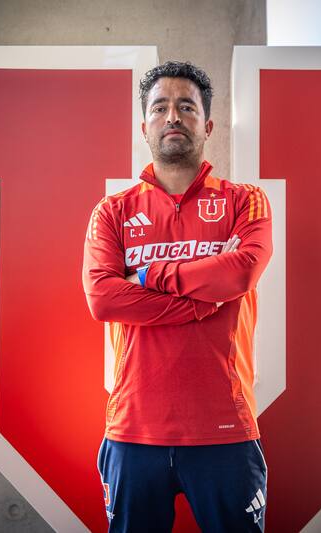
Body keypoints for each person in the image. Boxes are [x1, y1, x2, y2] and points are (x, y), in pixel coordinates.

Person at [82, 60, 273, 533]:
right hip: (133, 430)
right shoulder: (113, 212)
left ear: (206, 126)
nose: (173, 117)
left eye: (186, 107)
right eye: (160, 107)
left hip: (225, 428)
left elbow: (244, 270)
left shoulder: (244, 201)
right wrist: (204, 298)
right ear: (144, 126)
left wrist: (146, 275)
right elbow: (104, 298)